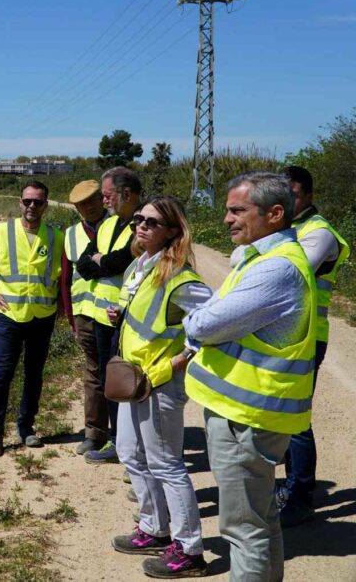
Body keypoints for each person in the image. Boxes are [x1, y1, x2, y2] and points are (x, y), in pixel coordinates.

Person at [185, 172, 317, 582]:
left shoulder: (275, 269)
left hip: (245, 419)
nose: (226, 219)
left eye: (237, 210)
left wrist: (195, 319)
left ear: (275, 213)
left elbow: (205, 325)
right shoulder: (263, 259)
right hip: (247, 415)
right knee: (260, 521)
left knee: (243, 529)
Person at [107, 197, 212, 578]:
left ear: (172, 230)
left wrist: (181, 360)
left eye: (152, 222)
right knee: (129, 453)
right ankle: (154, 528)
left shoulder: (180, 277)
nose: (141, 226)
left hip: (160, 382)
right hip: (133, 379)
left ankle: (189, 549)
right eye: (139, 219)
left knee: (167, 463)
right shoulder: (139, 266)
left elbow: (214, 322)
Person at [0, 181, 64, 456]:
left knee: (34, 374)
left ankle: (27, 428)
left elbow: (64, 274)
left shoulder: (56, 236)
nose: (32, 206)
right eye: (28, 201)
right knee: (3, 374)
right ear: (20, 203)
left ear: (46, 205)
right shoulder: (2, 231)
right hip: (10, 316)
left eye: (38, 202)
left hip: (42, 317)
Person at [278, 165, 349, 526]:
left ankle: (301, 494)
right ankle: (291, 484)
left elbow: (286, 274)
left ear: (307, 195)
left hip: (308, 336)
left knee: (298, 418)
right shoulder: (287, 230)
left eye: (291, 193)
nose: (285, 199)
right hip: (286, 336)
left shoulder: (319, 233)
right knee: (282, 413)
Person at [75, 166, 142, 464]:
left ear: (126, 194)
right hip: (105, 317)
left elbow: (120, 262)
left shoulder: (143, 224)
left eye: (107, 196)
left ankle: (131, 446)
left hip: (129, 318)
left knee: (130, 382)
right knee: (109, 380)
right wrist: (103, 261)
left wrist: (103, 261)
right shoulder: (107, 225)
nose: (104, 202)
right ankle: (117, 440)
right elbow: (83, 264)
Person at [58, 180, 113, 455]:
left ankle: (122, 435)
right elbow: (66, 279)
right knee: (93, 372)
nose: (88, 208)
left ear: (103, 199)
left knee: (116, 372)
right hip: (84, 314)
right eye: (82, 204)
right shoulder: (70, 235)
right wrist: (71, 317)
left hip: (114, 314)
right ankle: (95, 433)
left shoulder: (121, 227)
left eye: (92, 201)